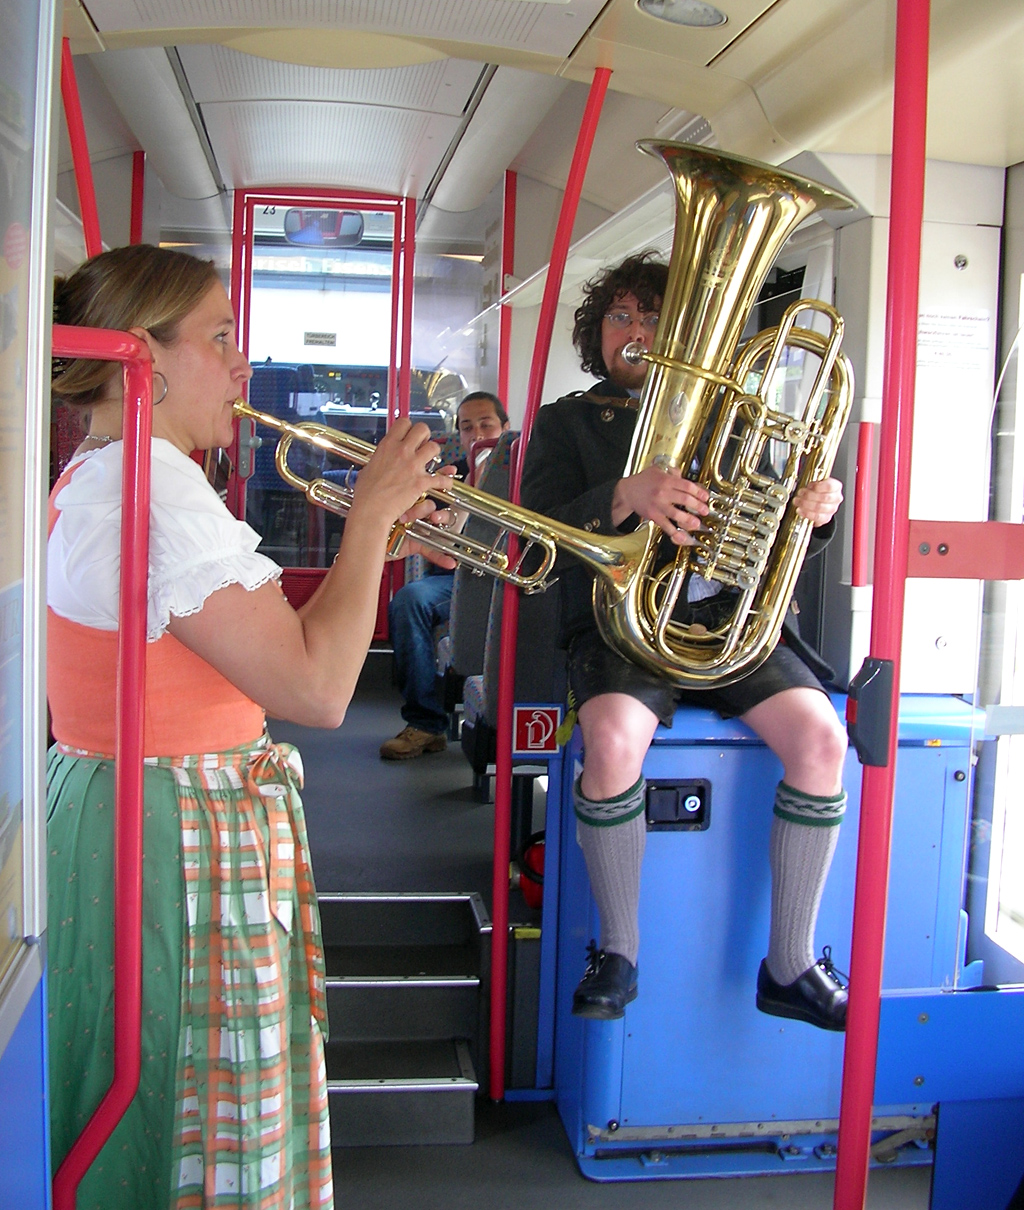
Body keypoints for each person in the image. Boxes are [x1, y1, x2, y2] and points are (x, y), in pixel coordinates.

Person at [46, 244, 450, 1209]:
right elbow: (317, 688)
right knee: (188, 1095)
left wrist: (375, 534)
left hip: (134, 811)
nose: (243, 368)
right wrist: (367, 529)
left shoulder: (103, 473)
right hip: (176, 834)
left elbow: (292, 646)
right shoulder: (154, 494)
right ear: (139, 354)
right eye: (222, 339)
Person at [519, 252, 850, 1030]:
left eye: (654, 318)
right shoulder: (568, 422)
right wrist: (622, 497)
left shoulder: (734, 419)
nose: (634, 333)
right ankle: (621, 948)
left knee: (821, 739)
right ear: (597, 332)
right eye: (620, 317)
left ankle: (792, 961)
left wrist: (813, 514)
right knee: (609, 742)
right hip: (622, 625)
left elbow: (776, 543)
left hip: (729, 624)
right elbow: (540, 537)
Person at [379, 390, 509, 760]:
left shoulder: (528, 481)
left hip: (506, 581)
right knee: (408, 600)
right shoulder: (450, 479)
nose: (476, 433)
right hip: (457, 579)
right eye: (467, 428)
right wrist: (467, 495)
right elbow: (442, 539)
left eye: (486, 425)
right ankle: (425, 724)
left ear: (505, 429)